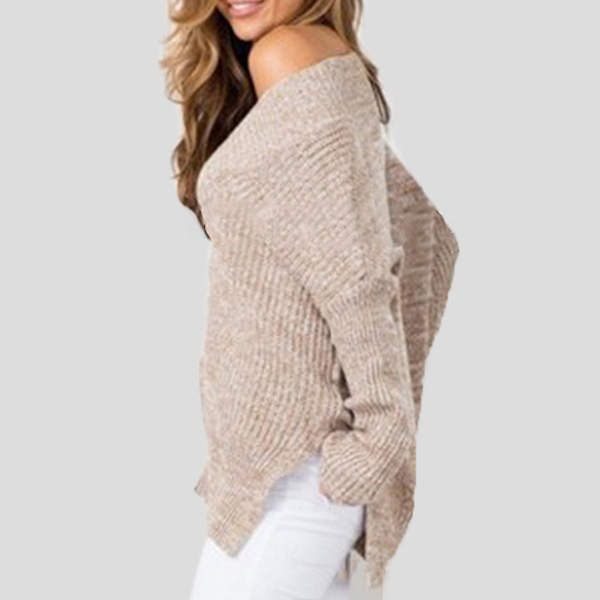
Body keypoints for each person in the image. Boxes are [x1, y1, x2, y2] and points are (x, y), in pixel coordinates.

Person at [160, 1, 460, 598]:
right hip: (288, 476)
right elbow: (406, 230)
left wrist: (378, 434)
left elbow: (359, 273)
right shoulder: (305, 60)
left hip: (299, 477)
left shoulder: (288, 55)